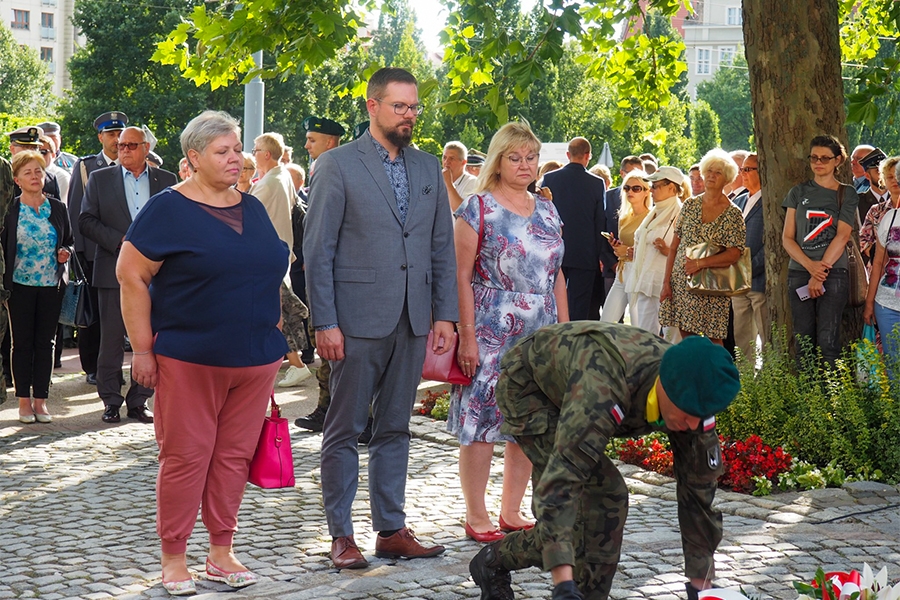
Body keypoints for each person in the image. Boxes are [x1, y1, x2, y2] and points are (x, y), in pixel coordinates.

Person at [118, 110, 289, 595]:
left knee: (234, 457)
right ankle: (174, 558)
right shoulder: (168, 208)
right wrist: (143, 350)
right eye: (223, 151)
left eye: (238, 149)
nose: (236, 158)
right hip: (188, 358)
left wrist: (273, 323)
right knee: (186, 457)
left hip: (254, 359)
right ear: (193, 158)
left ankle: (221, 551)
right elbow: (130, 275)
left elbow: (267, 268)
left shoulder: (252, 207)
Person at [304, 67, 458, 569]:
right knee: (344, 428)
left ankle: (391, 529)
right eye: (400, 107)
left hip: (414, 321)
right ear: (372, 106)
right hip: (354, 322)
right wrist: (323, 321)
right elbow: (318, 250)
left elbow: (440, 248)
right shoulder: (337, 164)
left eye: (414, 107)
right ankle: (341, 536)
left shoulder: (430, 167)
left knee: (395, 428)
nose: (410, 115)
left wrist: (445, 316)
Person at [468, 321, 740, 600]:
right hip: (531, 388)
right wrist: (563, 585)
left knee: (598, 509)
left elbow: (698, 496)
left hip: (577, 382)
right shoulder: (603, 387)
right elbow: (562, 483)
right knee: (601, 499)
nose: (693, 422)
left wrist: (701, 586)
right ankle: (493, 562)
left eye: (702, 414)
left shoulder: (694, 404)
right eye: (687, 412)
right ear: (666, 386)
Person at [450, 121, 568, 542]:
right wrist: (466, 335)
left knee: (529, 423)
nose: (524, 165)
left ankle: (512, 510)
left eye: (531, 157)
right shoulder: (477, 207)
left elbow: (557, 276)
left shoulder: (549, 209)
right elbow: (460, 277)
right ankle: (475, 514)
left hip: (541, 329)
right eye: (514, 157)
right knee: (481, 423)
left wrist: (565, 334)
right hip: (490, 325)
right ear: (498, 161)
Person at [80, 126, 178, 424]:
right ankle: (110, 400)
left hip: (155, 272)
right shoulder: (100, 179)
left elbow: (177, 221)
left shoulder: (167, 181)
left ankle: (139, 401)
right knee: (110, 340)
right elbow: (85, 221)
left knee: (148, 340)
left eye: (131, 146)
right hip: (113, 270)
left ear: (146, 148)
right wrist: (118, 241)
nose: (123, 150)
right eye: (120, 145)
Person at [4, 151, 73, 424]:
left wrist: (65, 251)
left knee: (46, 344)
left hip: (50, 286)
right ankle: (23, 402)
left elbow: (69, 239)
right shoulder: (10, 210)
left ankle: (41, 401)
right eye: (28, 173)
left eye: (38, 171)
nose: (35, 177)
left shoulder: (57, 208)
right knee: (21, 344)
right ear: (17, 180)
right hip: (19, 286)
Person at [782, 135, 858, 365]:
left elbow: (843, 235)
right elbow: (787, 238)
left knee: (828, 341)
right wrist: (810, 267)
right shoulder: (797, 192)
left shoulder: (846, 193)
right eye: (814, 157)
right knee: (803, 340)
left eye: (825, 158)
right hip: (800, 271)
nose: (819, 162)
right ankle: (807, 397)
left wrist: (820, 272)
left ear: (838, 161)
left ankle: (831, 399)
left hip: (834, 273)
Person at [660, 148, 746, 344]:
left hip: (713, 286)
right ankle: (693, 373)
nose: (710, 176)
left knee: (715, 341)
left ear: (727, 179)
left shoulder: (733, 213)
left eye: (718, 173)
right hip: (682, 282)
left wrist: (700, 263)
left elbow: (734, 254)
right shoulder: (689, 205)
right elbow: (674, 247)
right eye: (708, 171)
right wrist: (666, 283)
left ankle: (714, 374)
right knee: (687, 338)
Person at [68, 111, 129, 386]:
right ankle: (92, 366)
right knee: (94, 314)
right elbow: (75, 211)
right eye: (111, 134)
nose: (117, 140)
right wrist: (78, 253)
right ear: (100, 137)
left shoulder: (134, 166)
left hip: (127, 253)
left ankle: (115, 367)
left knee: (123, 313)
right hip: (93, 253)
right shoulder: (85, 167)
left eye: (120, 134)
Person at [249, 132, 312, 388]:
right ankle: (291, 362)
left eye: (255, 149)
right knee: (276, 311)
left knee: (276, 312)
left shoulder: (270, 182)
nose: (252, 154)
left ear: (266, 154)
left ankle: (296, 364)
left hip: (266, 257)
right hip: (278, 253)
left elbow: (247, 215)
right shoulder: (282, 175)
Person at [542, 137, 607, 320]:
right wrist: (600, 254)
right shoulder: (596, 183)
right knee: (579, 305)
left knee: (553, 300)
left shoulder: (550, 178)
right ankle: (574, 342)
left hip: (554, 249)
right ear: (588, 156)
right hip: (584, 252)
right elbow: (599, 220)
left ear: (568, 155)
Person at [626, 167, 686, 338]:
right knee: (645, 335)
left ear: (671, 188)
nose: (651, 190)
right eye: (652, 186)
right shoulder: (654, 211)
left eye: (656, 186)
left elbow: (689, 252)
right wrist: (636, 252)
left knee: (672, 336)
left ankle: (674, 365)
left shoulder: (680, 213)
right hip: (647, 280)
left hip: (669, 284)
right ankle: (649, 365)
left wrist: (668, 251)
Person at [730, 153, 769, 358]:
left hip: (759, 279)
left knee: (766, 334)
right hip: (738, 280)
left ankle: (769, 378)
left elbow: (771, 243)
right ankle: (746, 380)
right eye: (742, 169)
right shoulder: (740, 199)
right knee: (742, 334)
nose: (743, 174)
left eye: (748, 169)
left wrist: (751, 267)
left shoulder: (770, 199)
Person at [600, 170, 650, 324]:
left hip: (639, 274)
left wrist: (627, 251)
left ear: (647, 192)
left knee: (639, 327)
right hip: (622, 273)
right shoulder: (624, 216)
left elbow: (651, 252)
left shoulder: (650, 217)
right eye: (627, 188)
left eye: (636, 188)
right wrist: (617, 246)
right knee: (605, 322)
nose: (630, 192)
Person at [864, 159, 900, 367]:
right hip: (887, 305)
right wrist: (869, 304)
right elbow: (878, 264)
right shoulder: (888, 218)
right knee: (893, 366)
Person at [860, 155, 900, 262]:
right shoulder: (875, 211)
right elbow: (863, 242)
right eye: (890, 177)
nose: (894, 180)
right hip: (882, 271)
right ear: (883, 181)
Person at [442, 140, 479, 212]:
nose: (446, 162)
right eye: (444, 157)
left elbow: (462, 213)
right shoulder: (437, 180)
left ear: (464, 162)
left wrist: (449, 184)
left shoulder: (473, 182)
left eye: (452, 158)